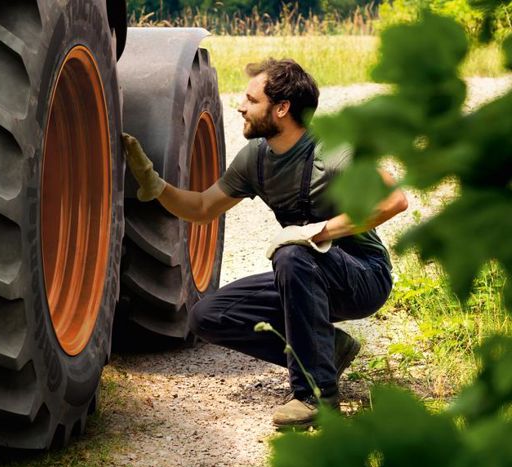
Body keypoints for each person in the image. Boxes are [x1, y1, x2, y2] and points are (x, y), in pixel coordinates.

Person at [123, 58, 408, 427]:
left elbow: (394, 200)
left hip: (362, 277)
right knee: (208, 316)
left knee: (291, 254)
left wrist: (316, 233)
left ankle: (315, 396)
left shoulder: (333, 151)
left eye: (251, 100)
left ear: (282, 108)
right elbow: (203, 206)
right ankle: (329, 350)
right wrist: (156, 186)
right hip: (303, 273)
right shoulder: (256, 159)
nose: (240, 106)